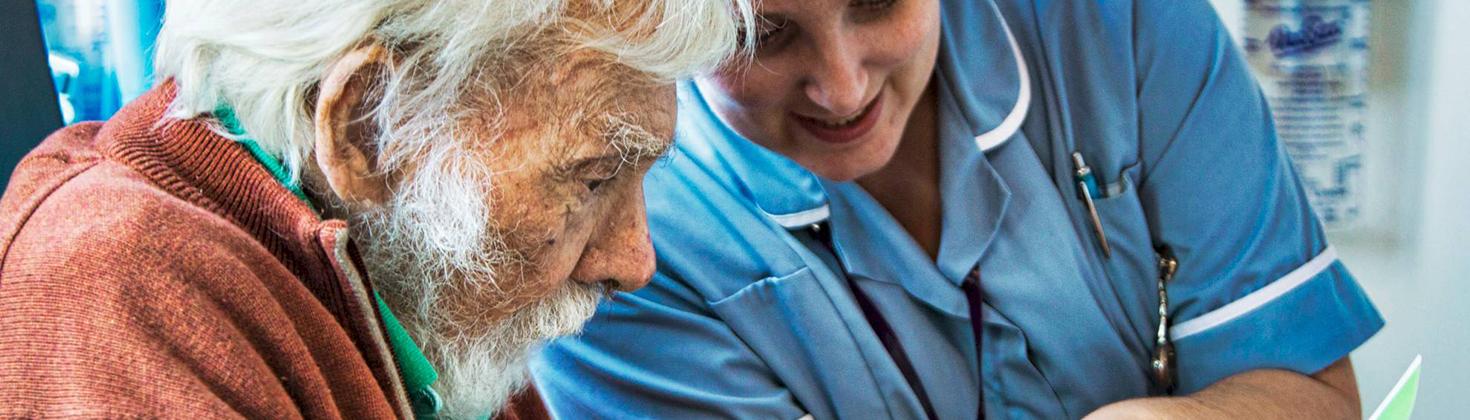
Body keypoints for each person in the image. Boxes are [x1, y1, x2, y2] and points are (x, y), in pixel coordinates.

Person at [534, 0, 1384, 418]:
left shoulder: (1120, 27)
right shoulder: (626, 244)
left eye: (874, 0)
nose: (843, 85)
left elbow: (1312, 391)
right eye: (764, 35)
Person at [0, 0, 750, 418]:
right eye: (590, 182)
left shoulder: (420, 282)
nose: (635, 260)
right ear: (371, 130)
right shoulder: (115, 288)